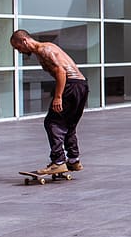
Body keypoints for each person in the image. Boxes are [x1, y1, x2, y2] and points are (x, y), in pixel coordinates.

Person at [10, 29, 89, 174]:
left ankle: (58, 161)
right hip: (80, 85)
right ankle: (73, 160)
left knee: (52, 123)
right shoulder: (47, 48)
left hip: (70, 85)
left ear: (24, 41)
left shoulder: (44, 50)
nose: (18, 51)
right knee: (68, 124)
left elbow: (61, 72)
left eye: (17, 47)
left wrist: (58, 96)